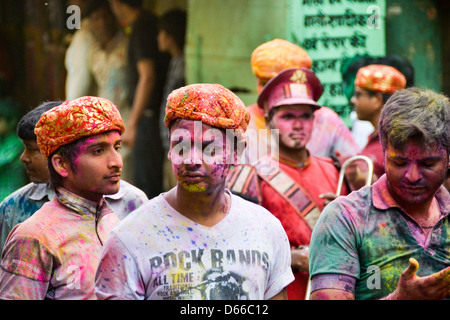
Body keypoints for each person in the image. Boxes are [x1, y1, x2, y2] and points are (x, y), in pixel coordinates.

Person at [94, 83, 294, 300]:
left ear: (237, 153)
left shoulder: (265, 229)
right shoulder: (130, 238)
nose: (191, 160)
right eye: (181, 145)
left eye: (209, 148)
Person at [309, 87, 450, 300]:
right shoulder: (344, 219)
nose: (412, 176)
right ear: (383, 153)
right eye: (399, 162)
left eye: (428, 164)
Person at [0, 96, 142, 299]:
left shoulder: (114, 220)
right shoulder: (35, 238)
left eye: (117, 148)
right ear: (61, 165)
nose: (116, 162)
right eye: (99, 151)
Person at [226, 67, 348, 300]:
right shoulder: (250, 176)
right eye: (288, 117)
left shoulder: (335, 170)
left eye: (305, 116)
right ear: (269, 120)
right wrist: (291, 258)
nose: (298, 125)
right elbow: (233, 249)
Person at [248, 38, 360, 164]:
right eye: (264, 84)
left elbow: (359, 170)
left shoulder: (327, 121)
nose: (298, 125)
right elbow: (226, 177)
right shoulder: (241, 123)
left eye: (306, 116)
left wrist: (352, 175)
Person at [109, 0, 170, 199]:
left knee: (147, 185)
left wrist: (133, 124)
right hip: (156, 114)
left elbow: (148, 76)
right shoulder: (150, 22)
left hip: (149, 117)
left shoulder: (141, 27)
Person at [87, 0, 134, 183]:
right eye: (96, 18)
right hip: (102, 125)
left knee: (126, 178)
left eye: (105, 16)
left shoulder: (128, 45)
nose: (102, 22)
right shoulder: (93, 52)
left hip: (127, 120)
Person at [349, 64, 407, 183]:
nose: (353, 100)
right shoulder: (375, 136)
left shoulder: (395, 142)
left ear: (377, 100)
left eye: (358, 94)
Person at [157, 9, 187, 191]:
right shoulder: (175, 61)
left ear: (171, 36)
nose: (158, 38)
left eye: (162, 33)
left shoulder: (182, 64)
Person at [0, 99, 26, 202]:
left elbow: (2, 162)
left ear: (12, 121)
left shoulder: (16, 143)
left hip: (11, 194)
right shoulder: (3, 142)